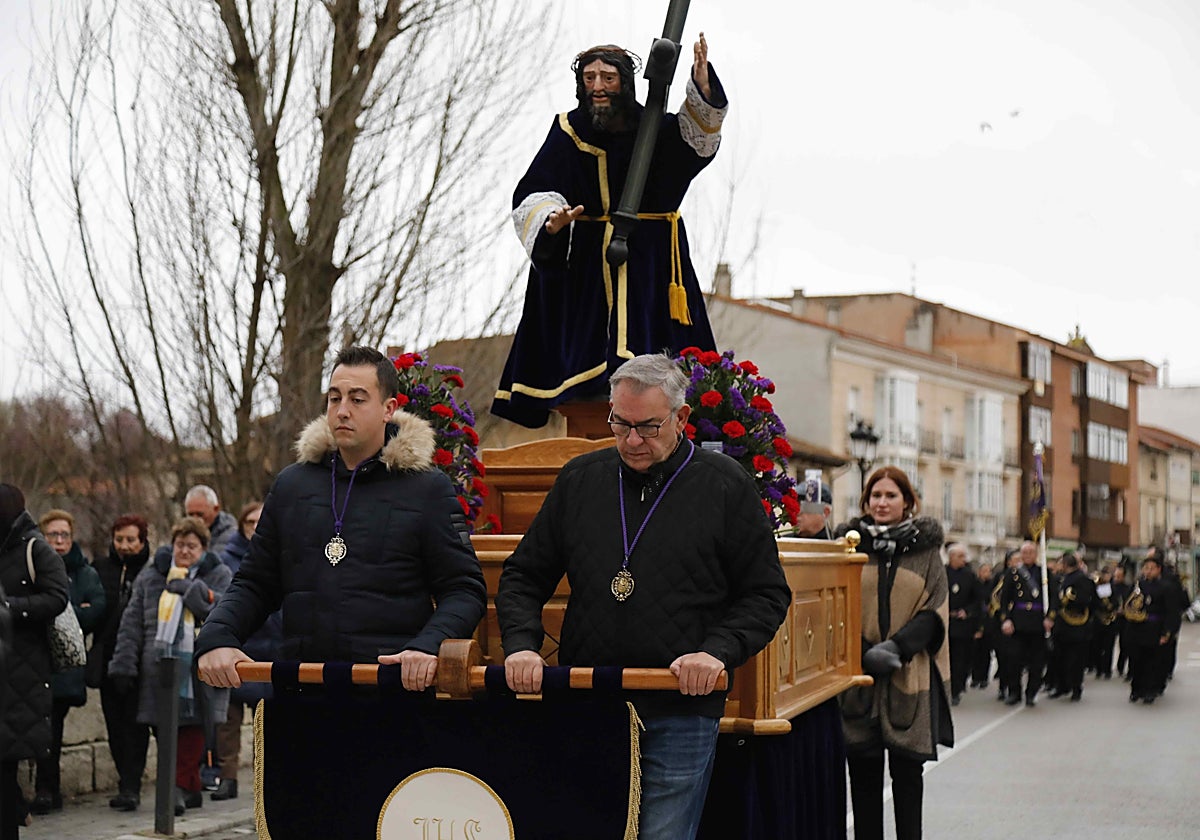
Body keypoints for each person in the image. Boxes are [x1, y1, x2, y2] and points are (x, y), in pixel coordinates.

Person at [496, 353, 790, 839]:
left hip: (679, 706)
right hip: (589, 701)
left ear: (681, 418)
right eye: (620, 424)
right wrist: (523, 644)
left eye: (648, 427)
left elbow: (765, 594)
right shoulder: (580, 479)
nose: (631, 440)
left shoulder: (724, 485)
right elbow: (524, 575)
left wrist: (715, 652)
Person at [195, 345, 487, 693]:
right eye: (335, 398)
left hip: (391, 692)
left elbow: (463, 590)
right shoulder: (292, 485)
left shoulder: (426, 489)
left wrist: (427, 645)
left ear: (388, 409)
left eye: (357, 399)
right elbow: (255, 583)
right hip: (304, 689)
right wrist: (217, 636)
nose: (342, 411)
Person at [493, 35, 728, 428]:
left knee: (660, 375)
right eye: (589, 78)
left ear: (627, 82)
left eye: (607, 77)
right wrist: (552, 220)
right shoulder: (568, 131)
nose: (598, 87)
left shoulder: (656, 128)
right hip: (586, 267)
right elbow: (533, 191)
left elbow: (698, 142)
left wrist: (703, 87)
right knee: (589, 388)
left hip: (651, 266)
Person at [835, 466, 952, 840]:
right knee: (864, 783)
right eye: (875, 496)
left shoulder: (927, 552)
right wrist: (864, 651)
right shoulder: (849, 549)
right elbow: (835, 608)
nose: (882, 503)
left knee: (907, 780)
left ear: (907, 501)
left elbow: (936, 609)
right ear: (866, 501)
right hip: (859, 676)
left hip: (908, 675)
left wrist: (898, 647)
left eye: (890, 496)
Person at [107, 517, 232, 816]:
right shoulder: (152, 575)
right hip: (157, 669)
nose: (185, 551)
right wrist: (123, 662)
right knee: (165, 730)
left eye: (192, 546)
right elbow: (131, 621)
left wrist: (189, 590)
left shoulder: (218, 575)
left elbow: (222, 614)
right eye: (180, 545)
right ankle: (187, 787)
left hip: (198, 672)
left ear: (203, 548)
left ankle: (176, 788)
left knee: (191, 730)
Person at [0, 484, 69, 839]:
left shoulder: (34, 548)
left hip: (22, 671)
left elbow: (57, 597)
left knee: (7, 760)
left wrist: (10, 607)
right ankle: (15, 807)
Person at [31, 510, 106, 814]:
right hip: (33, 664)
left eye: (64, 535)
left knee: (53, 731)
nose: (59, 542)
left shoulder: (85, 572)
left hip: (64, 668)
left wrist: (61, 609)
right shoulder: (32, 567)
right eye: (53, 535)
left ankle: (48, 789)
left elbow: (94, 610)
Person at [210, 501, 277, 803]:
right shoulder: (227, 559)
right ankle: (227, 777)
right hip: (239, 648)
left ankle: (269, 779)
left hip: (274, 650)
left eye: (260, 521)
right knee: (228, 722)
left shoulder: (282, 552)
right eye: (249, 522)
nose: (255, 527)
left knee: (269, 723)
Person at [93, 514, 152, 811]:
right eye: (119, 540)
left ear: (143, 540)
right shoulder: (101, 569)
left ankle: (131, 784)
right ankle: (124, 779)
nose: (125, 546)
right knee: (114, 725)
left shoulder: (151, 572)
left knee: (135, 725)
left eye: (131, 540)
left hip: (140, 660)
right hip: (107, 658)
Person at [1122, 554, 1181, 704]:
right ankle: (1136, 689)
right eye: (1145, 568)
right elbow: (1128, 604)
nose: (1147, 571)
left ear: (1158, 570)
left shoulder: (1166, 587)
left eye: (1151, 569)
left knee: (1152, 662)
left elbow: (1171, 612)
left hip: (1154, 628)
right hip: (1136, 629)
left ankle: (1150, 690)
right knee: (1136, 661)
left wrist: (1167, 632)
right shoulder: (1137, 586)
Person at [997, 541, 1050, 707]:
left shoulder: (1044, 573)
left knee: (1036, 662)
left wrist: (1050, 617)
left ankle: (1031, 692)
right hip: (1018, 622)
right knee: (1014, 660)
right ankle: (1014, 692)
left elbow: (1053, 598)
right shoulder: (1012, 573)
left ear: (1036, 554)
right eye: (1024, 552)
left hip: (1037, 622)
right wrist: (1006, 619)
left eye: (1031, 552)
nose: (1027, 555)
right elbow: (1004, 600)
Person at [1047, 552, 1094, 701]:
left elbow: (1086, 600)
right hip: (1062, 625)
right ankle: (1061, 686)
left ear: (1066, 565)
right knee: (1059, 657)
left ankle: (1075, 688)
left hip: (1077, 625)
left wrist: (1069, 600)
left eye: (1061, 563)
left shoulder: (1083, 579)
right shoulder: (1061, 579)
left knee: (1075, 660)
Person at [944, 543, 979, 706]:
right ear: (951, 557)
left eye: (964, 556)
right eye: (960, 556)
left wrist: (967, 611)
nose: (963, 560)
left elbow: (977, 600)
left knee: (960, 659)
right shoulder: (942, 573)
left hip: (962, 625)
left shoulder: (970, 576)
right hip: (944, 623)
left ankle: (956, 690)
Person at [181, 486, 237, 565]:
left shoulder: (229, 535)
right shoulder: (183, 532)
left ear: (216, 509)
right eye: (190, 515)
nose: (195, 519)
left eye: (200, 514)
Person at [969, 560, 994, 689]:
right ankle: (975, 677)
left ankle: (984, 677)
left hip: (988, 621)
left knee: (985, 651)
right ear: (979, 572)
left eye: (989, 571)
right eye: (984, 571)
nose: (987, 573)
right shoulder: (975, 584)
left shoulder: (992, 585)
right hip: (976, 620)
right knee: (974, 651)